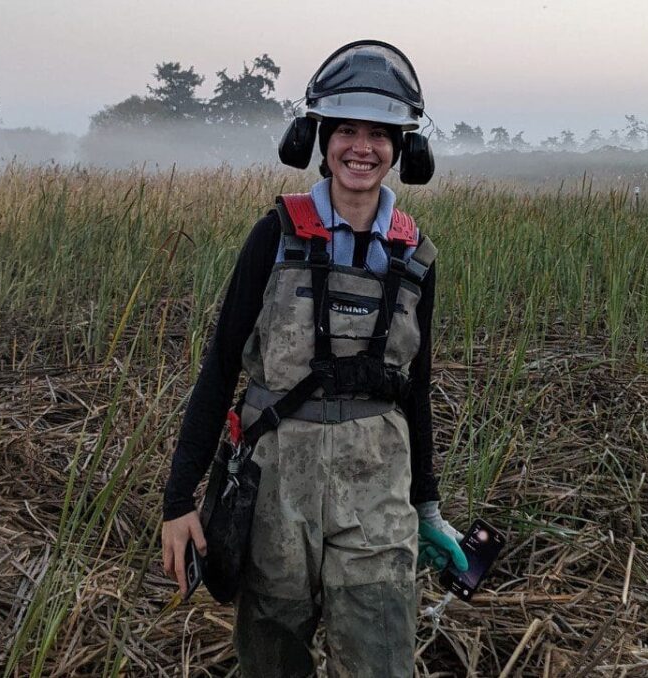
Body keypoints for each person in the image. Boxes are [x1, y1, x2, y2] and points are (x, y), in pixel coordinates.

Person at [161, 40, 467, 677]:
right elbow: (220, 365)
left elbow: (417, 389)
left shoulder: (416, 256)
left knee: (382, 656)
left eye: (380, 133)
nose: (362, 147)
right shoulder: (274, 234)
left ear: (404, 148)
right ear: (318, 138)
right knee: (272, 658)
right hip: (277, 486)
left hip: (379, 487)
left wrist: (428, 508)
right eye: (346, 130)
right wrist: (177, 500)